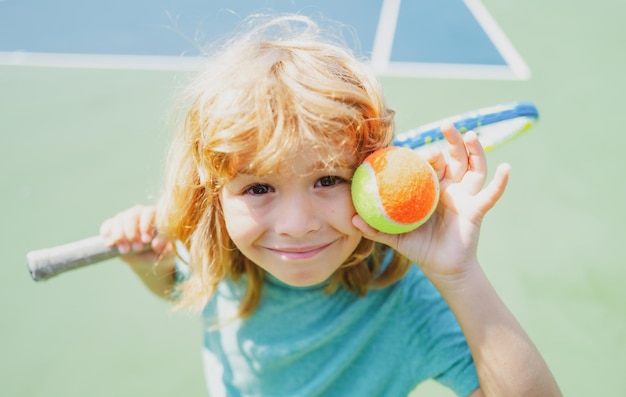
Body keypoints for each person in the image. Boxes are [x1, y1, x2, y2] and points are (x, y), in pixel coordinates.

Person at [100, 14, 561, 397]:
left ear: (369, 175)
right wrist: (148, 262)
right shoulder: (221, 253)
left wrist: (459, 273)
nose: (297, 225)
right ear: (213, 200)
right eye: (259, 188)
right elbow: (180, 284)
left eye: (327, 180)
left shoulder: (400, 303)